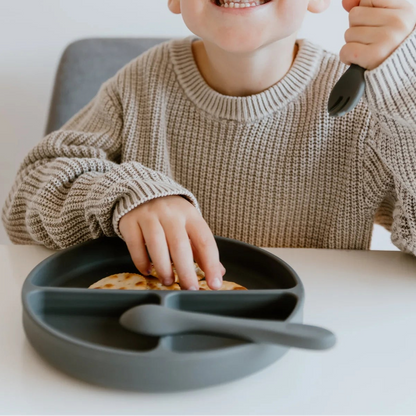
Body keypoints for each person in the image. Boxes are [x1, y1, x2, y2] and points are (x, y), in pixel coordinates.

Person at [2, 0, 416, 290]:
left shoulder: (370, 108)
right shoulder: (140, 86)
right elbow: (22, 204)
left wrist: (405, 88)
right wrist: (127, 195)